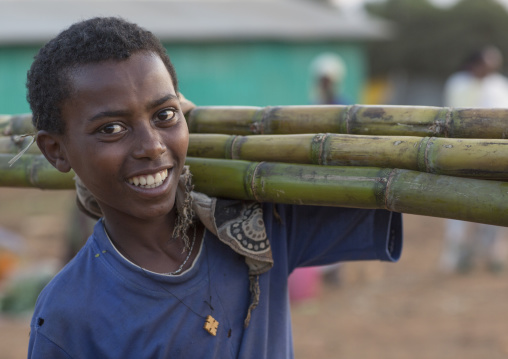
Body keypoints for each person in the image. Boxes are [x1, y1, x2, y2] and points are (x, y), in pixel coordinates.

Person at [26, 17, 402, 358]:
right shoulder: (68, 316)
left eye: (164, 115)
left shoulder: (261, 224)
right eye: (111, 128)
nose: (153, 145)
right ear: (57, 151)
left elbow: (387, 175)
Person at [441, 46, 508, 273]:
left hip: (494, 153)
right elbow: (457, 114)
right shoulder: (458, 83)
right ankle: (455, 257)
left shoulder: (499, 84)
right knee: (458, 203)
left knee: (493, 204)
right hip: (462, 152)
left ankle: (491, 255)